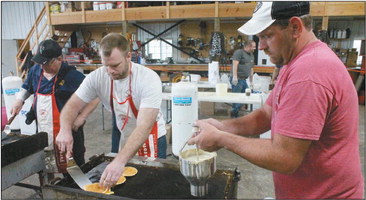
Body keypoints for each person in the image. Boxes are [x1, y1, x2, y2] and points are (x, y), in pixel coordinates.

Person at [188, 2, 364, 199]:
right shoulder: (294, 61)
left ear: (295, 27)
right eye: (259, 38)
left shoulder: (309, 72)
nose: (261, 46)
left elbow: (285, 157)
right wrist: (221, 126)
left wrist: (222, 139)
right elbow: (266, 114)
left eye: (267, 36)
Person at [56, 33, 167, 189]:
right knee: (123, 186)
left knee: (150, 185)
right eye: (105, 65)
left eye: (115, 65)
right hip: (124, 133)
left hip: (151, 137)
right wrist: (65, 130)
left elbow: (144, 126)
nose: (110, 71)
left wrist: (119, 161)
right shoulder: (97, 77)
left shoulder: (148, 79)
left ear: (128, 56)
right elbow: (72, 106)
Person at [10, 39, 99, 171]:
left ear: (59, 59)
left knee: (73, 166)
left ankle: (73, 189)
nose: (43, 67)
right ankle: (48, 185)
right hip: (43, 128)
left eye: (47, 63)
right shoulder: (36, 70)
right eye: (41, 63)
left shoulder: (72, 76)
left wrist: (82, 118)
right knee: (45, 162)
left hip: (68, 131)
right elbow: (27, 86)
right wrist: (19, 100)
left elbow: (95, 96)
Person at [230, 40, 256, 118]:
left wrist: (251, 81)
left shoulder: (251, 55)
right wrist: (234, 77)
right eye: (253, 46)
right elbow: (235, 64)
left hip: (244, 79)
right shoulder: (239, 52)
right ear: (248, 46)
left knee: (246, 96)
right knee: (237, 97)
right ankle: (234, 115)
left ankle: (236, 112)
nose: (255, 48)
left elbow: (251, 68)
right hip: (237, 79)